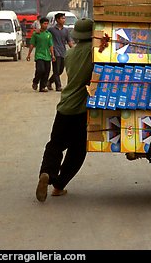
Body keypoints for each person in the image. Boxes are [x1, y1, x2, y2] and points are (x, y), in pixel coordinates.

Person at [35, 18, 94, 202]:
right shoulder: (94, 52)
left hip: (64, 106)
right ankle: (59, 185)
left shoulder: (70, 54)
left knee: (55, 145)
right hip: (81, 110)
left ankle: (46, 172)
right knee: (77, 151)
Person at [26, 17, 55, 92]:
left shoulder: (48, 34)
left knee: (46, 71)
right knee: (40, 70)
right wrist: (29, 54)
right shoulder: (36, 34)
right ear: (41, 24)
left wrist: (53, 55)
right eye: (44, 23)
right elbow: (32, 44)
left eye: (47, 24)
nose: (46, 25)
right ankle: (35, 81)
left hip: (47, 56)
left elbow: (50, 45)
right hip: (39, 55)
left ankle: (42, 87)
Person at [47, 13, 74, 91]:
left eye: (64, 18)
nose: (64, 20)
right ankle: (58, 86)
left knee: (60, 70)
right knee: (56, 70)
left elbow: (69, 41)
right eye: (62, 18)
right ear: (57, 20)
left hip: (63, 52)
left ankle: (49, 81)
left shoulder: (65, 30)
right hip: (55, 52)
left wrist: (74, 50)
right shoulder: (51, 30)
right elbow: (45, 34)